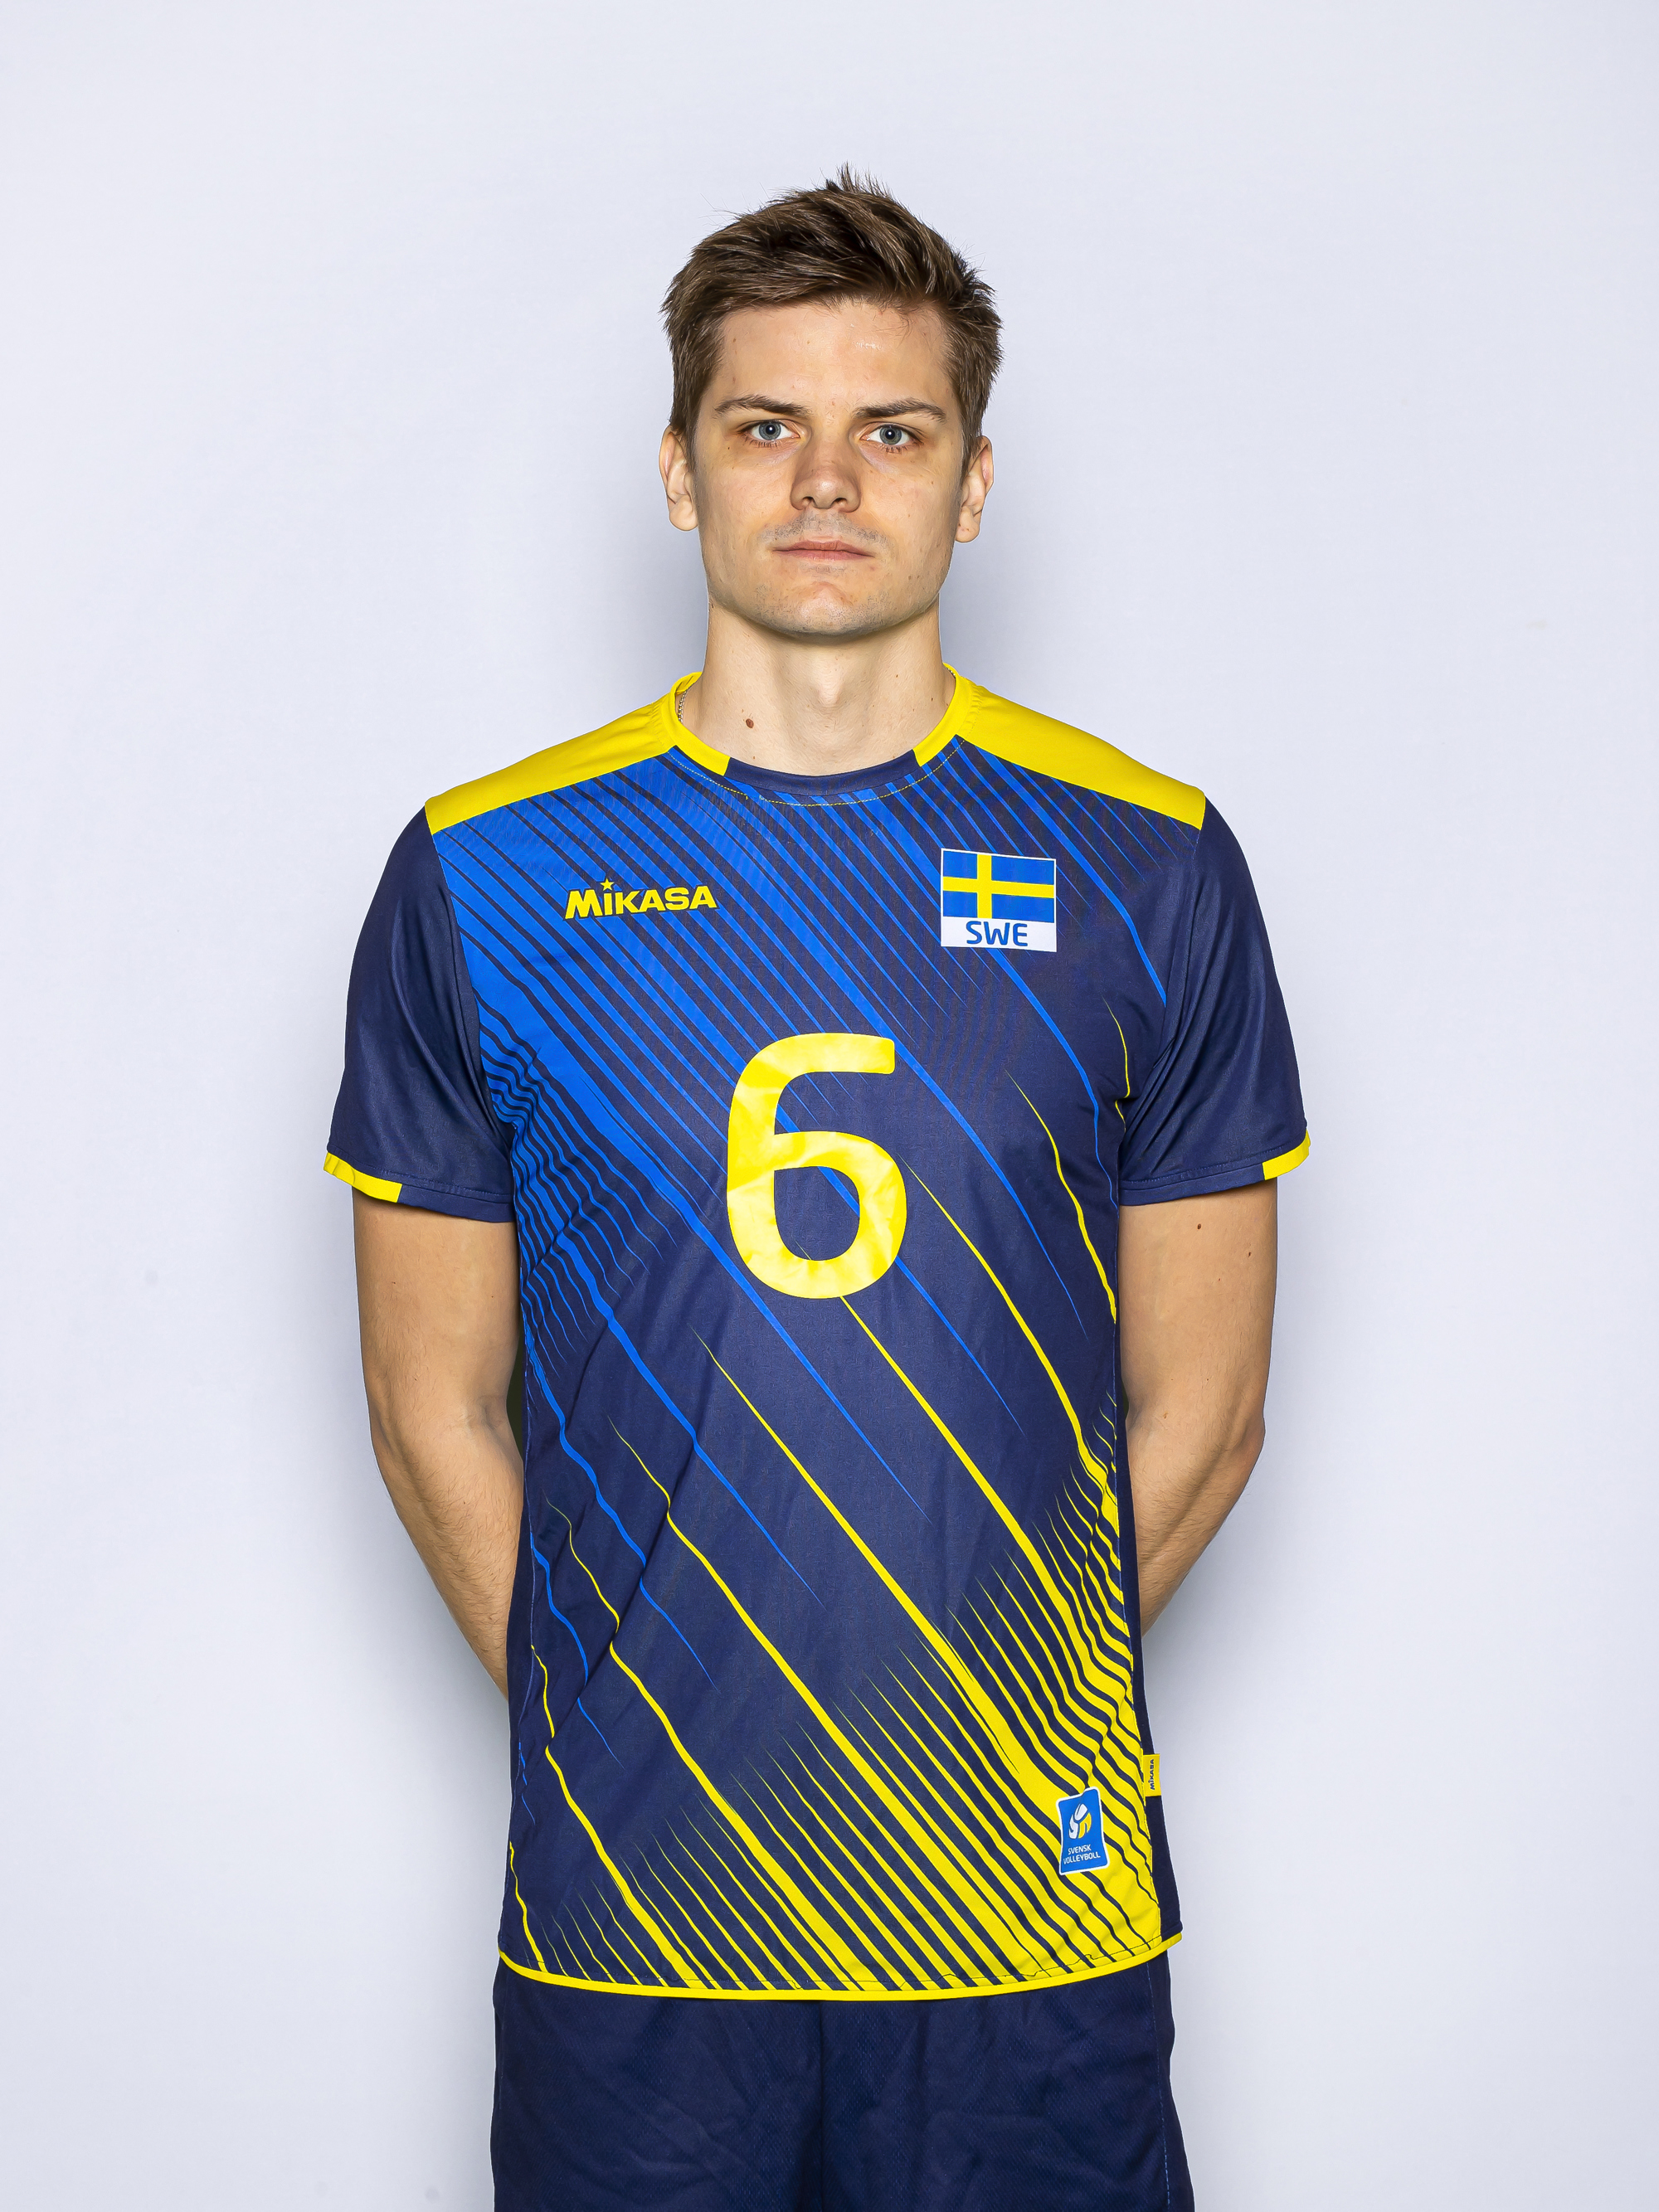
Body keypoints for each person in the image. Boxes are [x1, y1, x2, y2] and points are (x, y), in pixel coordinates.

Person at [326, 168, 1306, 2212]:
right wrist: (641, 1721)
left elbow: (1205, 1414)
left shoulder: (1150, 864)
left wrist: (971, 1719)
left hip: (1021, 1916)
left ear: (973, 484)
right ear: (678, 470)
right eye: (766, 424)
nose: (829, 481)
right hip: (636, 1910)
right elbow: (432, 1408)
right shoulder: (483, 876)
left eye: (895, 429)